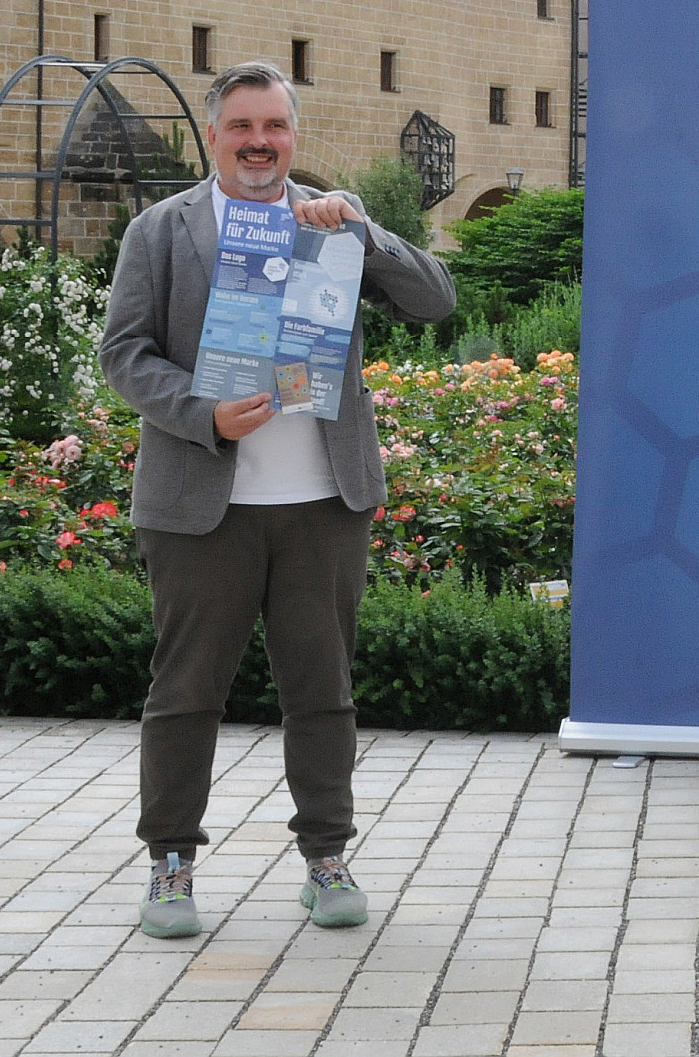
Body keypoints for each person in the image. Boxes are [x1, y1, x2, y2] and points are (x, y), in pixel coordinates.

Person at [100, 60, 456, 938]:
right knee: (186, 690)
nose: (259, 144)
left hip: (323, 499)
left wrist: (368, 234)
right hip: (199, 499)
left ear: (293, 136)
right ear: (213, 137)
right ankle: (171, 864)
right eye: (241, 129)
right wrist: (203, 412)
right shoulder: (161, 230)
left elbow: (435, 301)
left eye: (275, 129)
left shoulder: (331, 222)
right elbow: (125, 353)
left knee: (322, 688)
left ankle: (327, 855)